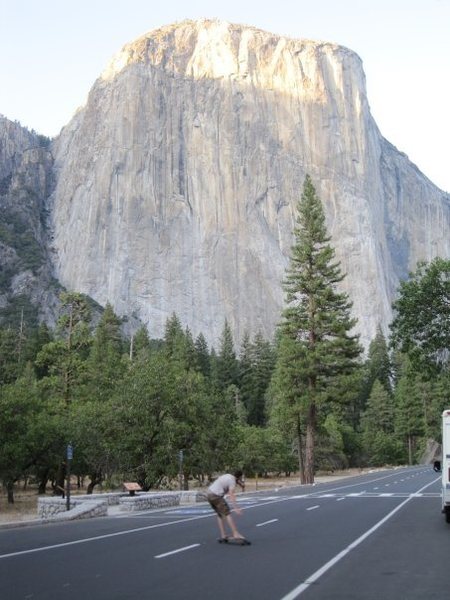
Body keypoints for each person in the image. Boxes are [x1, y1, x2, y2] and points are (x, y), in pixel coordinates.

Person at [207, 470, 246, 540]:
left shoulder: (228, 476)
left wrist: (241, 485)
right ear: (239, 477)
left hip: (209, 494)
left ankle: (223, 535)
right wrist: (236, 508)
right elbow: (231, 494)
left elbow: (236, 480)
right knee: (227, 513)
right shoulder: (232, 481)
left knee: (220, 514)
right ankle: (235, 533)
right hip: (216, 496)